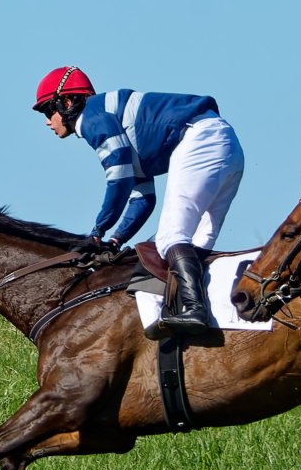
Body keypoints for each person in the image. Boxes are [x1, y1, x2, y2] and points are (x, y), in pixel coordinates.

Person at [33, 66, 245, 339]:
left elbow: (119, 178)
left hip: (201, 139)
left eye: (47, 111)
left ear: (68, 102)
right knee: (197, 241)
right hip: (225, 143)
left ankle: (194, 311)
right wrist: (115, 239)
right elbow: (143, 197)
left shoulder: (92, 118)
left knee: (170, 238)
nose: (47, 121)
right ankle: (209, 315)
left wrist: (97, 232)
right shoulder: (116, 121)